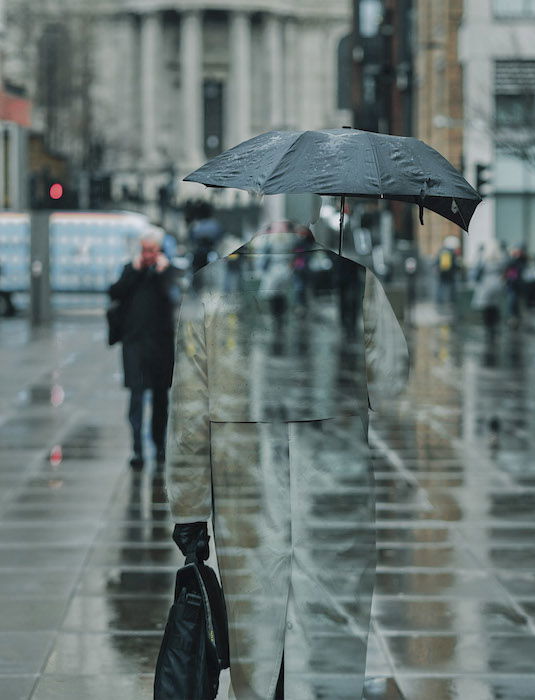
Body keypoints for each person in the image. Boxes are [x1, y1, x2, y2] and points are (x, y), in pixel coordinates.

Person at [165, 196, 409, 700]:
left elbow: (188, 414)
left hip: (247, 500)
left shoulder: (211, 285)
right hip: (334, 499)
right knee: (327, 640)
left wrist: (189, 511)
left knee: (257, 639)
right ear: (312, 214)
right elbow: (390, 381)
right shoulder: (352, 282)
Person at [109, 227, 175, 468]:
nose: (148, 255)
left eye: (152, 250)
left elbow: (173, 299)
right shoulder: (130, 269)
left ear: (160, 250)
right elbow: (114, 292)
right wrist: (135, 272)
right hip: (135, 345)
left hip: (160, 347)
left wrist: (161, 273)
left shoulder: (167, 272)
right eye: (145, 250)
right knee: (136, 398)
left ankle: (159, 448)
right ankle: (137, 449)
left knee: (160, 400)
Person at [471, 239, 506, 338]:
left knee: (487, 308)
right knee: (495, 306)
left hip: (486, 285)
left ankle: (489, 329)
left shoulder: (483, 260)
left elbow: (476, 270)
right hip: (497, 285)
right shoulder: (501, 259)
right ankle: (495, 328)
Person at [503, 245, 527, 327]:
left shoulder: (521, 260)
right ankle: (513, 317)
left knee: (515, 301)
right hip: (512, 284)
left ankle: (516, 317)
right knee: (512, 301)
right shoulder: (511, 260)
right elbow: (508, 271)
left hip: (517, 284)